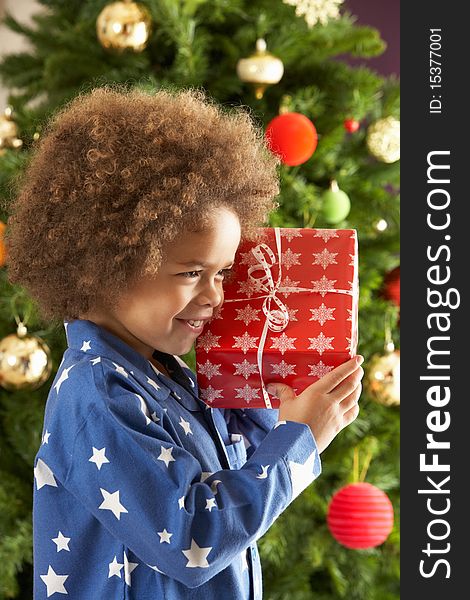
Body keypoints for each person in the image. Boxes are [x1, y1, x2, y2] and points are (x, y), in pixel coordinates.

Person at [4, 85, 363, 600]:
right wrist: (296, 442)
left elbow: (236, 479)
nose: (215, 295)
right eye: (193, 272)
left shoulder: (168, 377)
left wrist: (286, 405)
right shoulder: (97, 393)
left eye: (222, 272)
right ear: (111, 263)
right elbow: (193, 536)